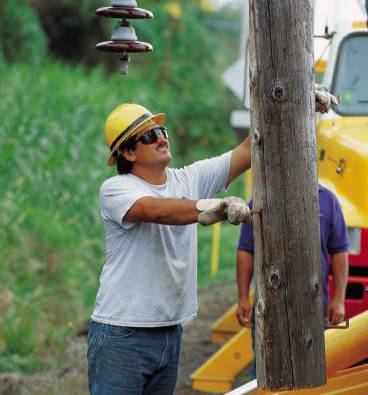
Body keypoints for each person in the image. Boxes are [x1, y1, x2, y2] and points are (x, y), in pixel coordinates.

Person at [88, 92, 337, 394]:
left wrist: (294, 105)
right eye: (150, 135)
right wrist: (214, 207)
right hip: (122, 334)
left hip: (169, 332)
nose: (161, 138)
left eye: (162, 131)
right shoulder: (116, 189)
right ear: (128, 153)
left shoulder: (186, 180)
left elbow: (248, 150)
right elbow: (155, 211)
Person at [236, 184, 349, 379]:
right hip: (267, 310)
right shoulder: (259, 202)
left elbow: (339, 250)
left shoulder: (328, 200)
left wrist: (339, 299)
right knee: (264, 375)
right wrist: (243, 298)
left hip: (314, 309)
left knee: (310, 375)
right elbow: (246, 250)